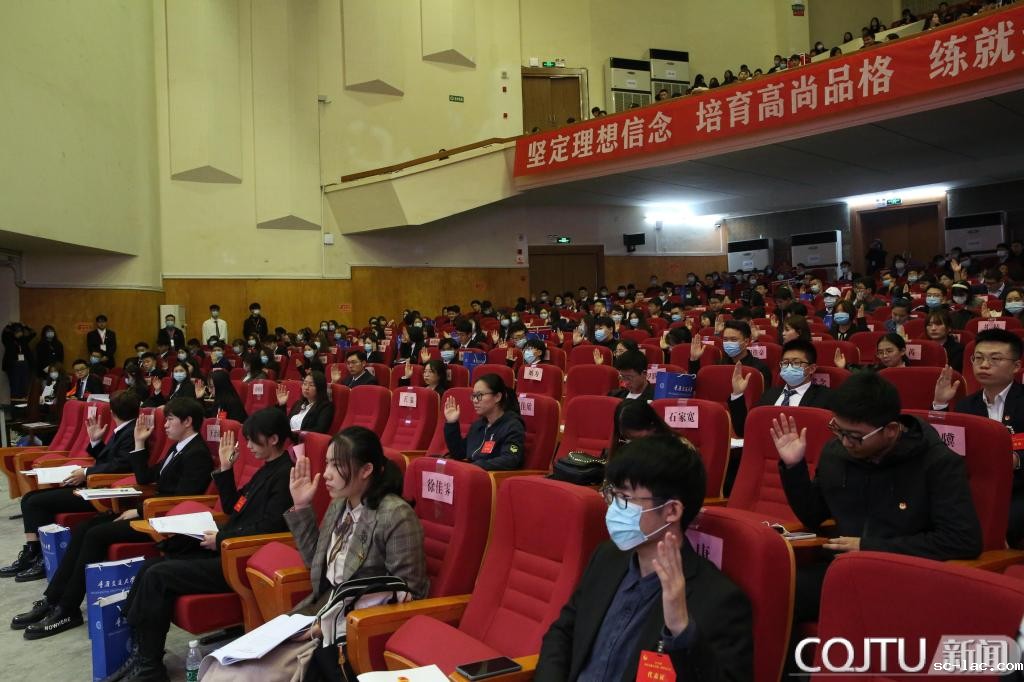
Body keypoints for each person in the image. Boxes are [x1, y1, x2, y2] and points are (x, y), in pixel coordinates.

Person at [202, 426, 428, 682]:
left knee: (239, 675)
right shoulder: (340, 503)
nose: (327, 474)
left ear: (366, 470)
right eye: (328, 463)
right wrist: (301, 506)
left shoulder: (395, 515)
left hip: (351, 629)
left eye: (337, 466)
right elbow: (315, 564)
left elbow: (408, 595)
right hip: (317, 611)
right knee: (222, 665)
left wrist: (327, 627)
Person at [536, 436, 754, 680]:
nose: (613, 508)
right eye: (612, 494)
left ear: (672, 510)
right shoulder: (607, 557)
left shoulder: (719, 600)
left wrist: (682, 629)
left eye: (625, 498)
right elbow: (563, 633)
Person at [773, 372, 982, 624]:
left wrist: (870, 547)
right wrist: (793, 468)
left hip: (906, 576)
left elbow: (962, 540)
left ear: (891, 430)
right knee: (771, 589)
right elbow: (814, 516)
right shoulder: (835, 452)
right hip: (842, 569)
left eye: (855, 436)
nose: (845, 442)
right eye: (838, 430)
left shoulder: (937, 463)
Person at [110, 408, 296, 681]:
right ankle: (142, 653)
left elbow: (270, 527)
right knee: (151, 566)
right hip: (228, 546)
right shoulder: (266, 469)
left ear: (274, 439)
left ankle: (149, 666)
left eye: (253, 440)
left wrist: (221, 539)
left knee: (158, 575)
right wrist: (226, 469)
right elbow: (234, 507)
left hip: (242, 559)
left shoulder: (285, 474)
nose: (248, 447)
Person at [13, 397, 214, 639]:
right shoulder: (178, 447)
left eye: (170, 420)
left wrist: (140, 511)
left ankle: (67, 608)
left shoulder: (197, 453)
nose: (165, 425)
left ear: (188, 421)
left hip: (164, 521)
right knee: (84, 528)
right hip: (151, 511)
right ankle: (53, 599)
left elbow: (182, 499)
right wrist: (139, 442)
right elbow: (146, 478)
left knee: (96, 535)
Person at [0, 390, 140, 582]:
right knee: (30, 498)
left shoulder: (130, 433)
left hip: (102, 492)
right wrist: (96, 441)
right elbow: (108, 460)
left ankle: (40, 558)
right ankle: (32, 553)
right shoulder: (123, 430)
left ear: (112, 412)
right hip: (95, 484)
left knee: (35, 503)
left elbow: (121, 466)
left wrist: (86, 472)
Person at [932, 328, 1024, 547]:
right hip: (974, 487)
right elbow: (944, 446)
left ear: (1016, 366)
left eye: (995, 359)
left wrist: (1016, 459)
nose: (984, 365)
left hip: (1019, 488)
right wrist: (940, 405)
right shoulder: (966, 405)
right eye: (979, 358)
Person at [728, 339, 833, 438]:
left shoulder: (825, 398)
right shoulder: (770, 394)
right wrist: (737, 394)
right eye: (785, 363)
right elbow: (745, 430)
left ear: (812, 368)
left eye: (796, 363)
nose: (789, 367)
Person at [443, 374, 525, 470]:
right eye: (473, 396)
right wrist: (452, 423)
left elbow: (510, 459)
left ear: (497, 397)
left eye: (479, 395)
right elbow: (459, 453)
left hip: (490, 476)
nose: (475, 400)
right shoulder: (478, 425)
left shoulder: (512, 426)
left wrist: (474, 466)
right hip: (472, 472)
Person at [689, 320, 771, 387]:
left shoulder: (759, 369)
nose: (728, 343)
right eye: (725, 339)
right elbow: (701, 387)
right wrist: (694, 360)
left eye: (733, 339)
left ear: (746, 341)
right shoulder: (720, 364)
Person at [835, 333, 910, 370]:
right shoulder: (876, 370)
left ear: (902, 351)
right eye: (880, 352)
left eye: (889, 351)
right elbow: (858, 371)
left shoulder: (912, 372)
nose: (884, 356)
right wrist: (844, 366)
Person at [924, 309, 964, 373]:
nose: (933, 328)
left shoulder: (958, 349)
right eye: (929, 325)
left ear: (949, 328)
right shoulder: (923, 348)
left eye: (938, 324)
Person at [2, 322, 35, 398]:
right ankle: (15, 402)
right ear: (13, 332)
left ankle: (23, 401)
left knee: (24, 385)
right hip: (13, 366)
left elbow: (33, 333)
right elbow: (4, 334)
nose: (19, 333)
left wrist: (26, 326)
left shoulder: (23, 340)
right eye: (17, 331)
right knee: (15, 386)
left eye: (20, 331)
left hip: (24, 365)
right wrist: (9, 325)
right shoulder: (8, 341)